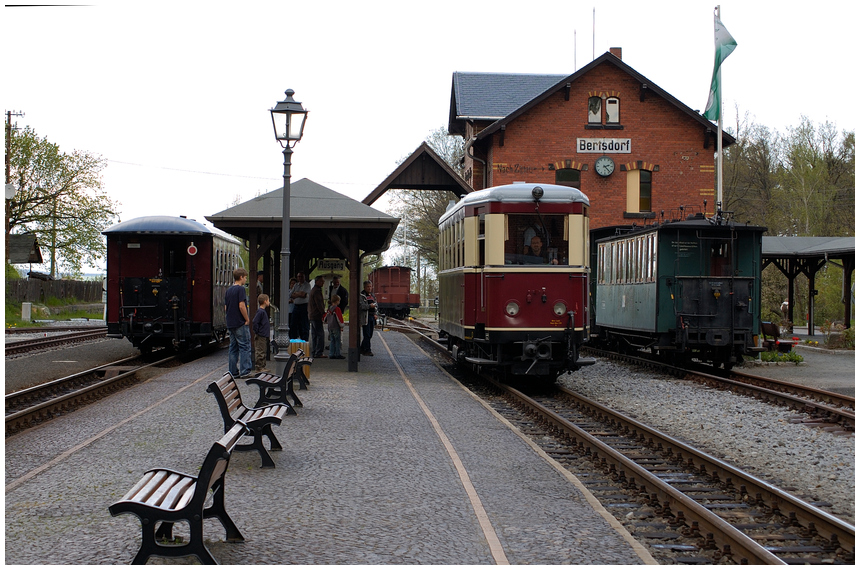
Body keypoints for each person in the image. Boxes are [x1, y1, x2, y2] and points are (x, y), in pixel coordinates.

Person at [225, 267, 253, 378]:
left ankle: (233, 372)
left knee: (233, 347)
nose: (245, 280)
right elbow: (241, 305)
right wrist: (247, 319)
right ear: (241, 277)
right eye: (245, 277)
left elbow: (226, 308)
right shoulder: (240, 290)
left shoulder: (228, 290)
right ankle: (245, 371)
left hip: (230, 322)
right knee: (245, 346)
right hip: (240, 322)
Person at [308, 275, 326, 358]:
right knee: (320, 334)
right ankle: (319, 352)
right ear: (317, 281)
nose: (323, 283)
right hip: (316, 315)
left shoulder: (313, 290)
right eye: (321, 281)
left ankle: (314, 351)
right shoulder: (317, 291)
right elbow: (319, 304)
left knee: (314, 334)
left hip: (312, 314)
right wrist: (323, 313)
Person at [289, 272, 311, 340]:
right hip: (296, 306)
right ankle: (293, 338)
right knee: (293, 323)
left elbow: (304, 295)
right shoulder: (296, 285)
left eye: (301, 276)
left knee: (304, 324)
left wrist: (296, 294)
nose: (300, 278)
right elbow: (291, 294)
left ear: (304, 277)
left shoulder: (307, 285)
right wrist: (300, 294)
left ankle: (304, 339)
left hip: (304, 306)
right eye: (298, 277)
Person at [252, 293, 271, 373]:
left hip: (263, 334)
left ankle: (262, 366)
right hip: (261, 335)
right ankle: (259, 367)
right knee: (260, 351)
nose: (269, 302)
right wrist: (257, 331)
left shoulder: (261, 312)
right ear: (265, 301)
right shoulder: (261, 312)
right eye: (268, 300)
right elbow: (255, 322)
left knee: (263, 350)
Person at [359, 280, 377, 356]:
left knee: (370, 334)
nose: (369, 288)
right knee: (366, 334)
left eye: (370, 286)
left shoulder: (372, 295)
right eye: (368, 287)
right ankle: (367, 350)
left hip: (372, 316)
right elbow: (361, 306)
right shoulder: (362, 296)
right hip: (366, 316)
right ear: (364, 287)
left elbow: (376, 304)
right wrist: (370, 306)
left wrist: (376, 313)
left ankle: (362, 348)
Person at [325, 294, 345, 359]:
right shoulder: (337, 309)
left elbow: (325, 317)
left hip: (330, 326)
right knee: (337, 340)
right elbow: (339, 318)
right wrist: (342, 325)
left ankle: (331, 354)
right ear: (337, 301)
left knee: (332, 340)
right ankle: (337, 353)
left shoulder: (329, 309)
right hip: (336, 326)